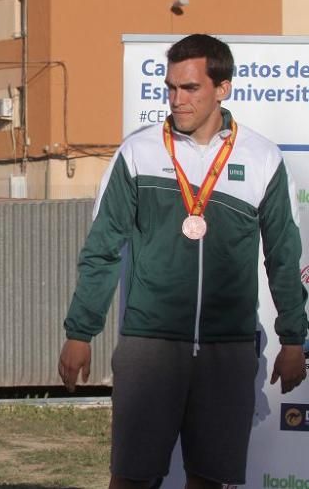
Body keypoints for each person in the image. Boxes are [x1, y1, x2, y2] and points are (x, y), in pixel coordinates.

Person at [58, 33, 308, 488]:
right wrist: (80, 331)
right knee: (132, 478)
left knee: (210, 480)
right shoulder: (138, 152)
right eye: (170, 88)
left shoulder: (261, 158)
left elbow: (284, 257)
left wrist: (294, 338)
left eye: (190, 88)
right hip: (149, 345)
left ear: (223, 88)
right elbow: (102, 248)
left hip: (227, 347)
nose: (177, 100)